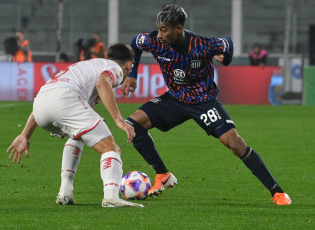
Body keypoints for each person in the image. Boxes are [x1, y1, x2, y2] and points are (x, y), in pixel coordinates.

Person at [120, 4, 291, 205]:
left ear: (178, 28)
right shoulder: (155, 41)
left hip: (204, 102)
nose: (159, 34)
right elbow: (135, 42)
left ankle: (277, 192)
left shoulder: (201, 44)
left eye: (164, 29)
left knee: (235, 144)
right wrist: (132, 74)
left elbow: (227, 44)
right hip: (175, 99)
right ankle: (163, 175)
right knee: (132, 124)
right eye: (158, 28)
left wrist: (224, 59)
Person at [6, 43, 143, 208]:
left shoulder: (91, 65)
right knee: (110, 148)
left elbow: (52, 93)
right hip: (65, 99)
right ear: (129, 65)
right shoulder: (115, 68)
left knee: (78, 136)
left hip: (40, 106)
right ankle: (111, 197)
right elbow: (102, 83)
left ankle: (65, 192)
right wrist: (119, 120)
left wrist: (25, 135)